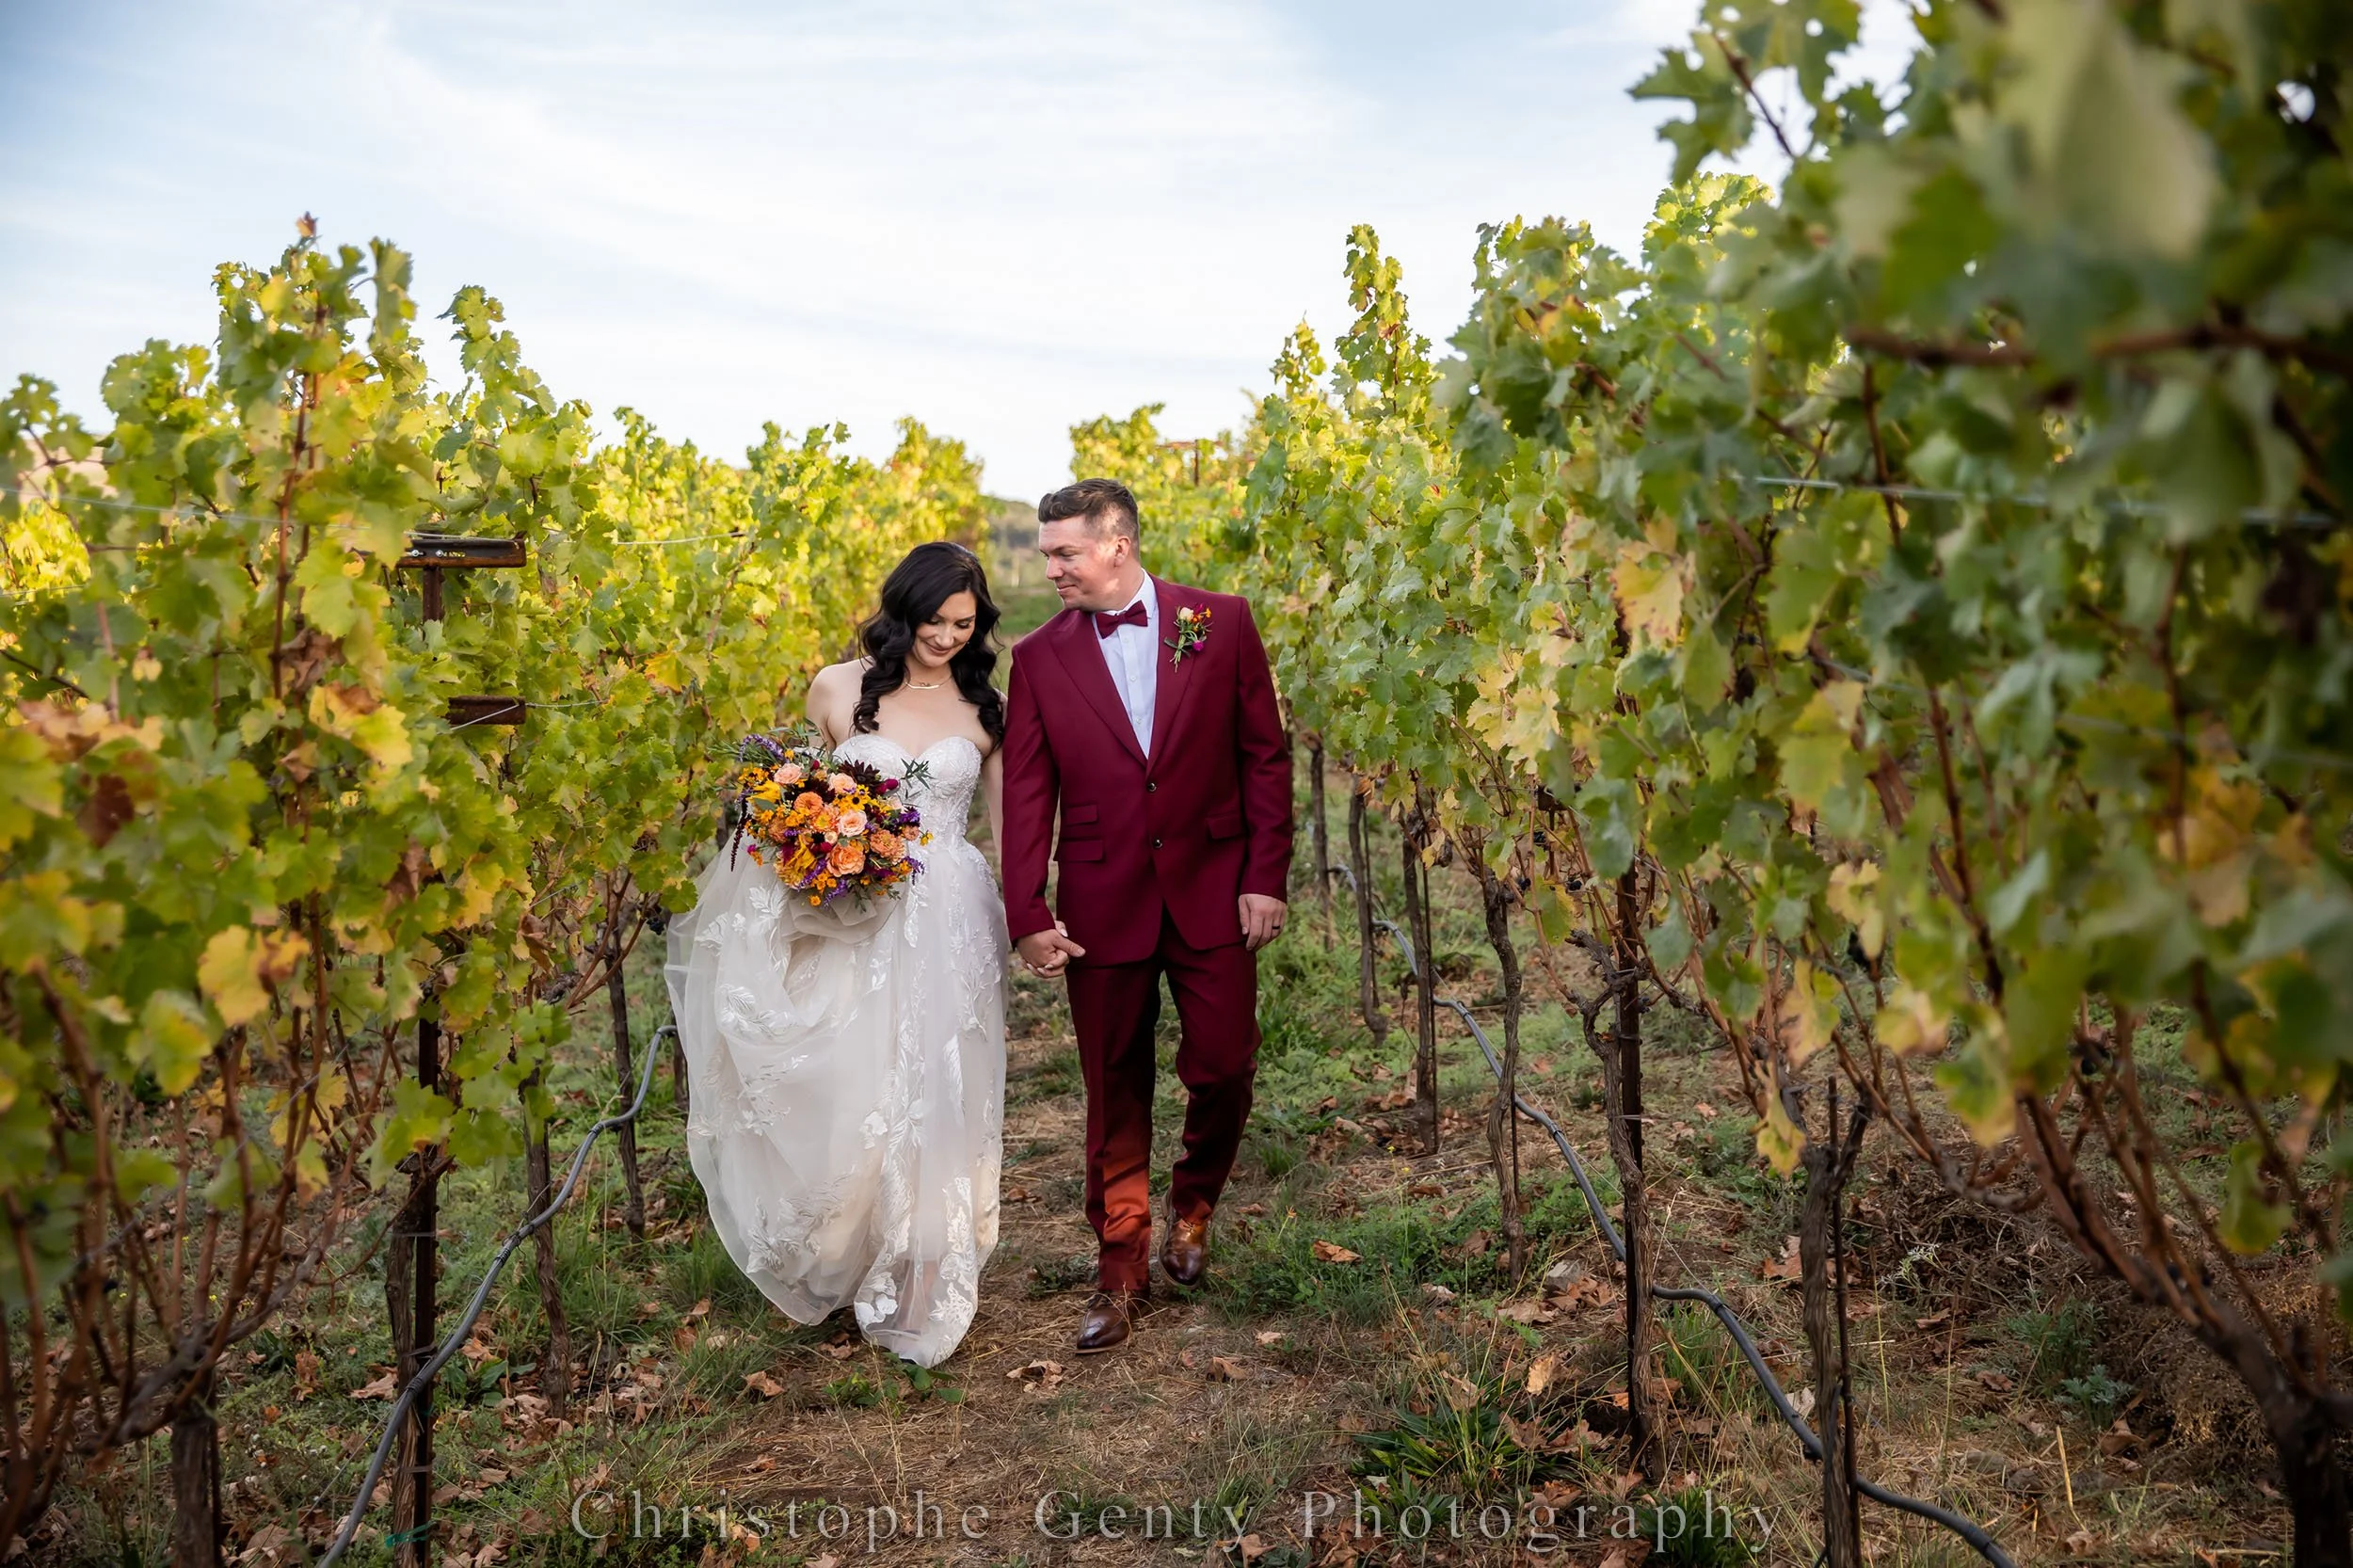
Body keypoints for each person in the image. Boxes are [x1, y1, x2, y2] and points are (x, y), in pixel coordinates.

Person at [664, 541, 1008, 1368]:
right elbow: (790, 800)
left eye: (964, 624)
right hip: (856, 907)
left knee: (939, 1079)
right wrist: (812, 854)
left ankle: (924, 1265)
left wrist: (1040, 908)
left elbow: (1016, 824)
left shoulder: (984, 703)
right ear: (902, 609)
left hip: (951, 912)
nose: (948, 637)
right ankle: (849, 1251)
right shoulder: (836, 687)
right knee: (853, 1073)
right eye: (935, 621)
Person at [1000, 478, 1293, 1353]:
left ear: (1118, 543)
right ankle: (1119, 1268)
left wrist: (1264, 875)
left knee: (1225, 1063)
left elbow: (1264, 757)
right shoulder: (1039, 658)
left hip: (1214, 887)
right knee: (1113, 1089)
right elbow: (1025, 795)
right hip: (1101, 900)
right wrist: (1028, 910)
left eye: (1065, 552)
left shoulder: (1223, 623)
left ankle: (1194, 1205)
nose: (1050, 566)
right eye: (1046, 552)